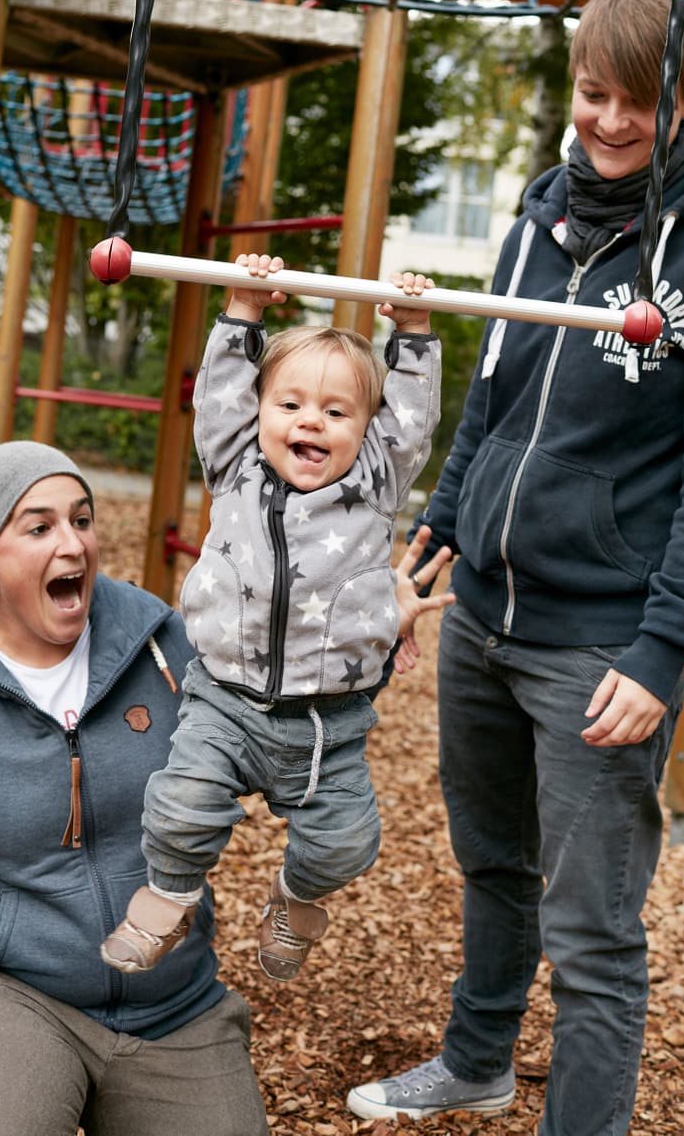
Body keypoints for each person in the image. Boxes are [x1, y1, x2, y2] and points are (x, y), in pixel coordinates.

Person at [346, 0, 684, 1135]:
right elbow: (496, 392)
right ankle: (478, 1057)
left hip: (599, 642)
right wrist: (442, 520)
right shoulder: (538, 217)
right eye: (593, 94)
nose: (607, 121)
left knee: (594, 930)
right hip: (483, 610)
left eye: (637, 102)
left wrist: (661, 650)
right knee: (491, 862)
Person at [101, 256, 450, 983]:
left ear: (364, 428)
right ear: (261, 412)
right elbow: (221, 397)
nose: (309, 422)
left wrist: (413, 332)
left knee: (347, 843)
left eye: (335, 411)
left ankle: (296, 899)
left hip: (328, 719)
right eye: (289, 404)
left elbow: (412, 423)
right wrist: (243, 310)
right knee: (180, 805)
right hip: (225, 698)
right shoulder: (235, 466)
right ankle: (169, 897)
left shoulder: (373, 484)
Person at [0, 441, 269, 1136]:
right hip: (10, 991)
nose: (72, 543)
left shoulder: (167, 648)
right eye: (39, 527)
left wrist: (349, 655)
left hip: (175, 1004)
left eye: (82, 519)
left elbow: (270, 758)